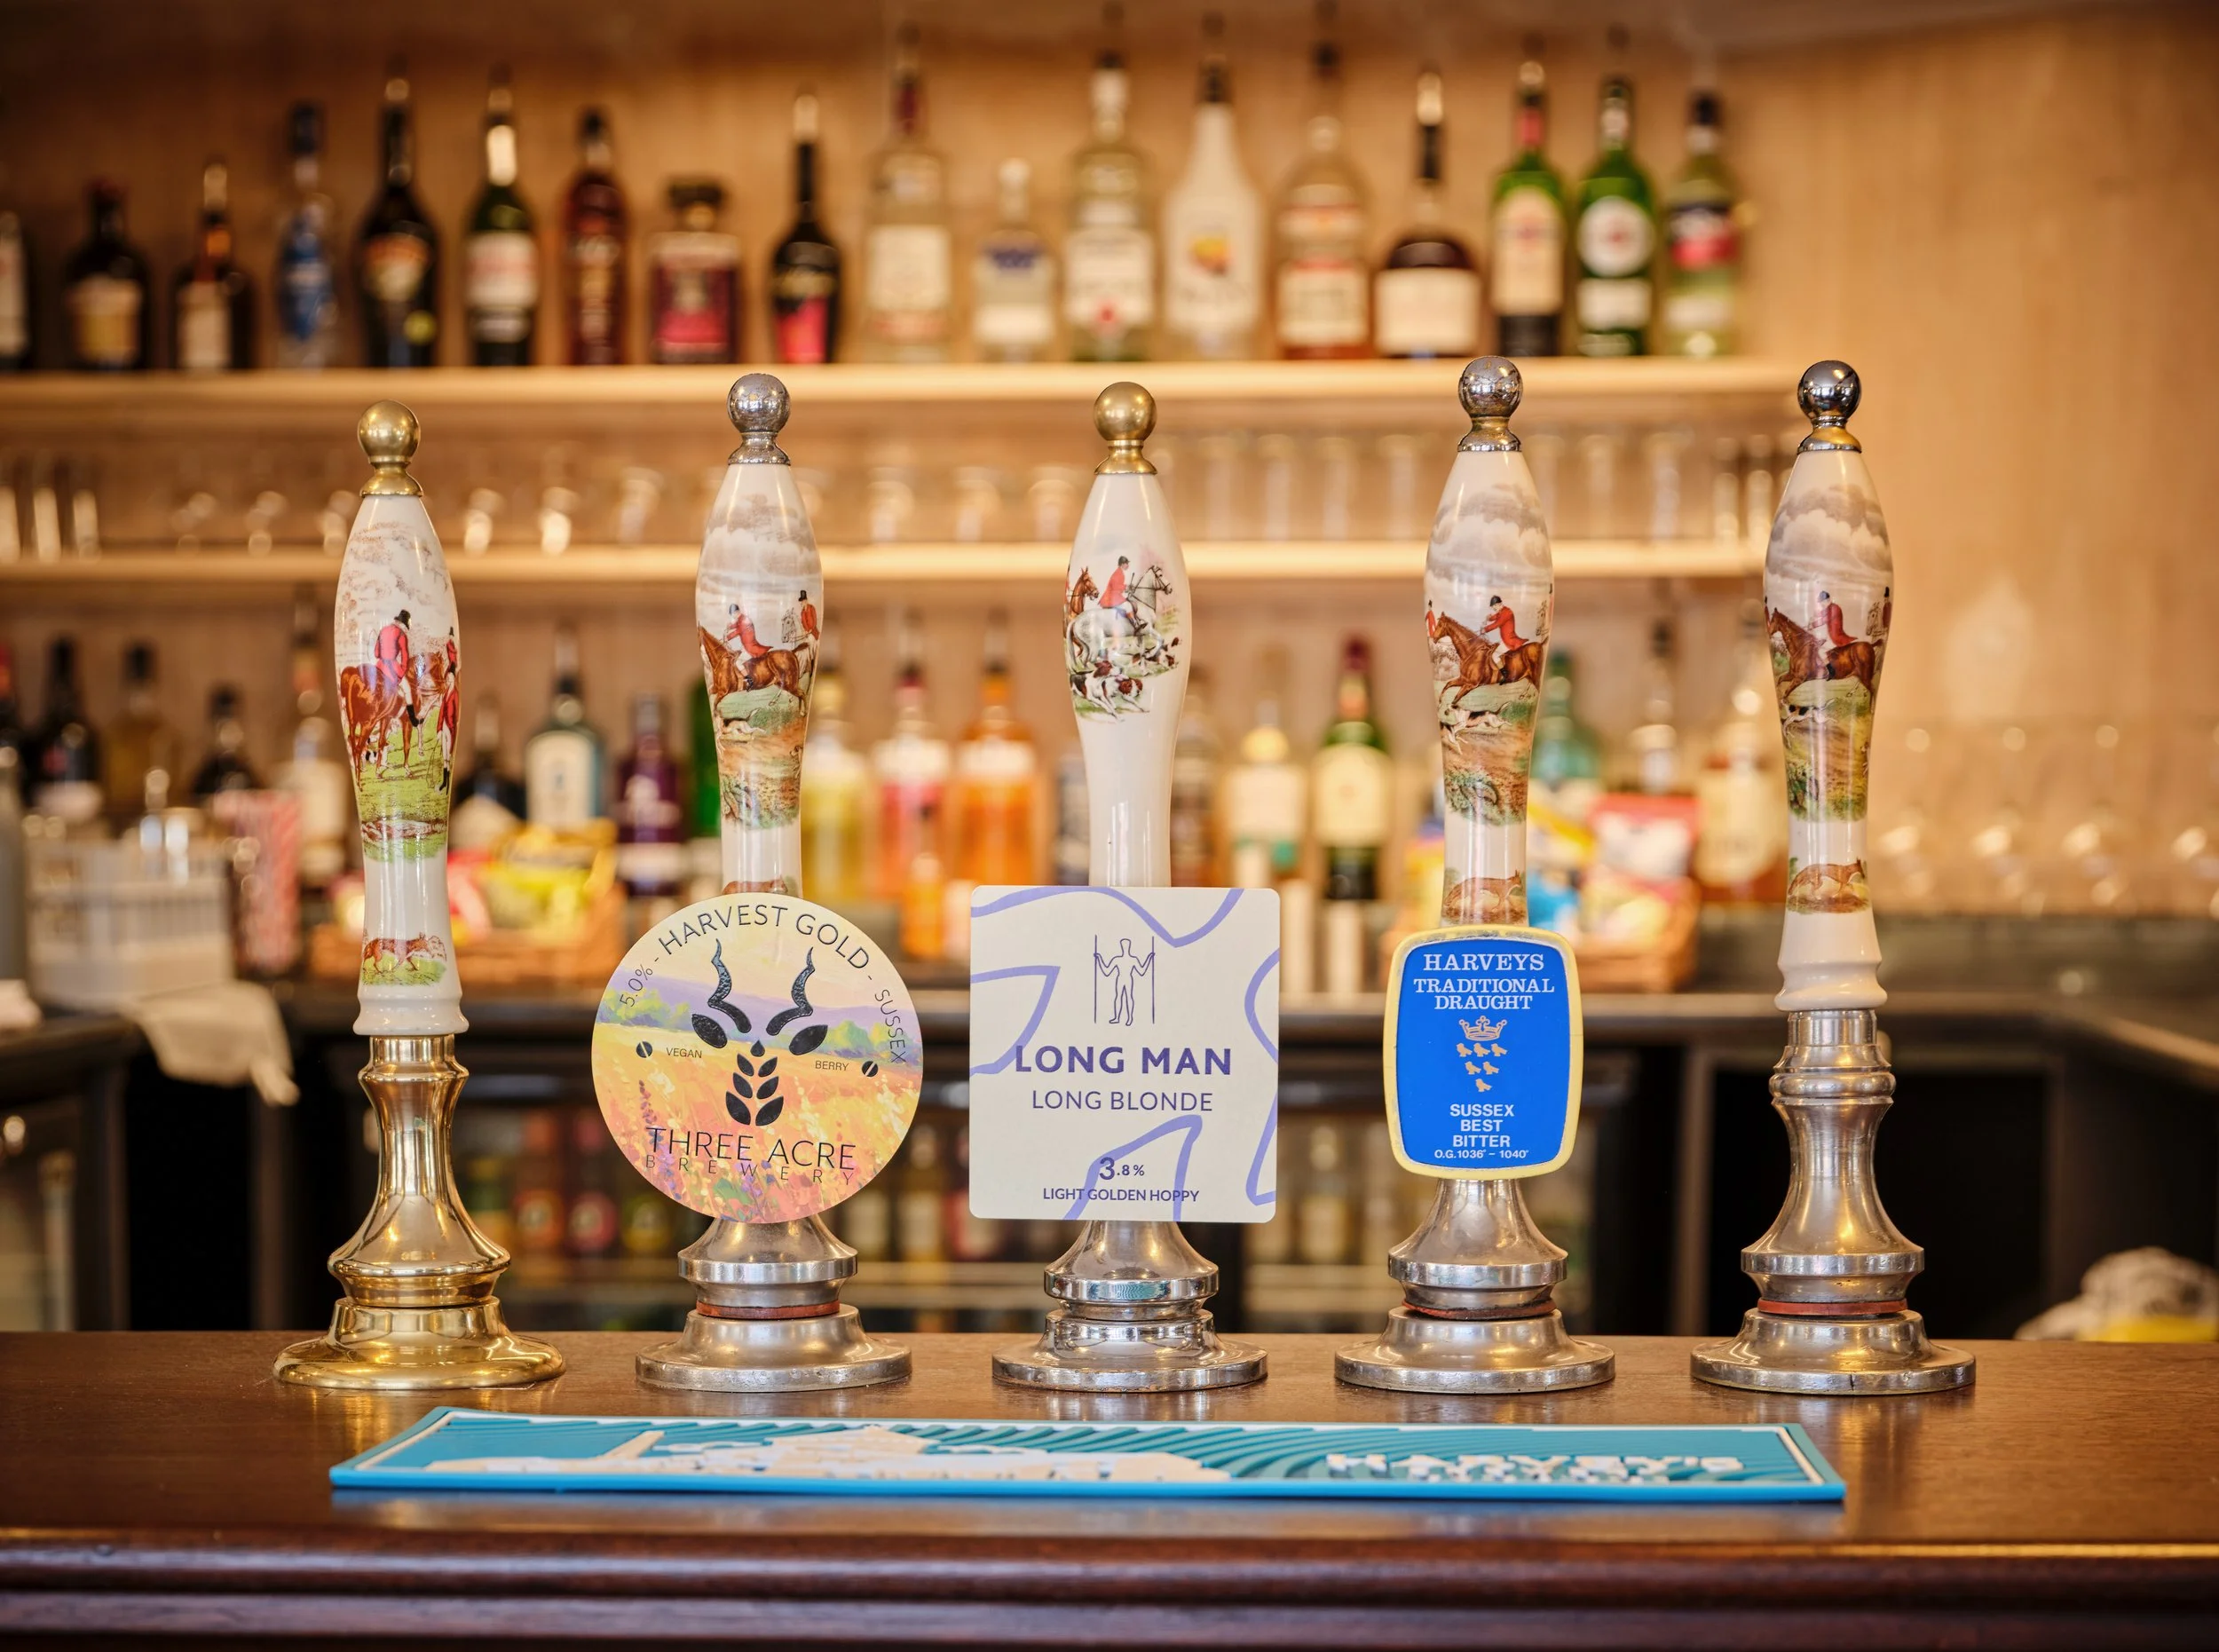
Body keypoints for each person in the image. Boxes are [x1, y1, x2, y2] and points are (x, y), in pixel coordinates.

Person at [1096, 937, 1153, 1028]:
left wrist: (1149, 958)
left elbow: (1142, 971)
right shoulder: (1117, 959)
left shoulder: (1133, 959)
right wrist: (1099, 959)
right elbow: (1107, 972)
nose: (1125, 947)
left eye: (1126, 945)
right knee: (1118, 997)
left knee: (1129, 997)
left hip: (1128, 979)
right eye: (1123, 945)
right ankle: (1117, 1017)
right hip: (1120, 979)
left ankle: (1130, 1018)